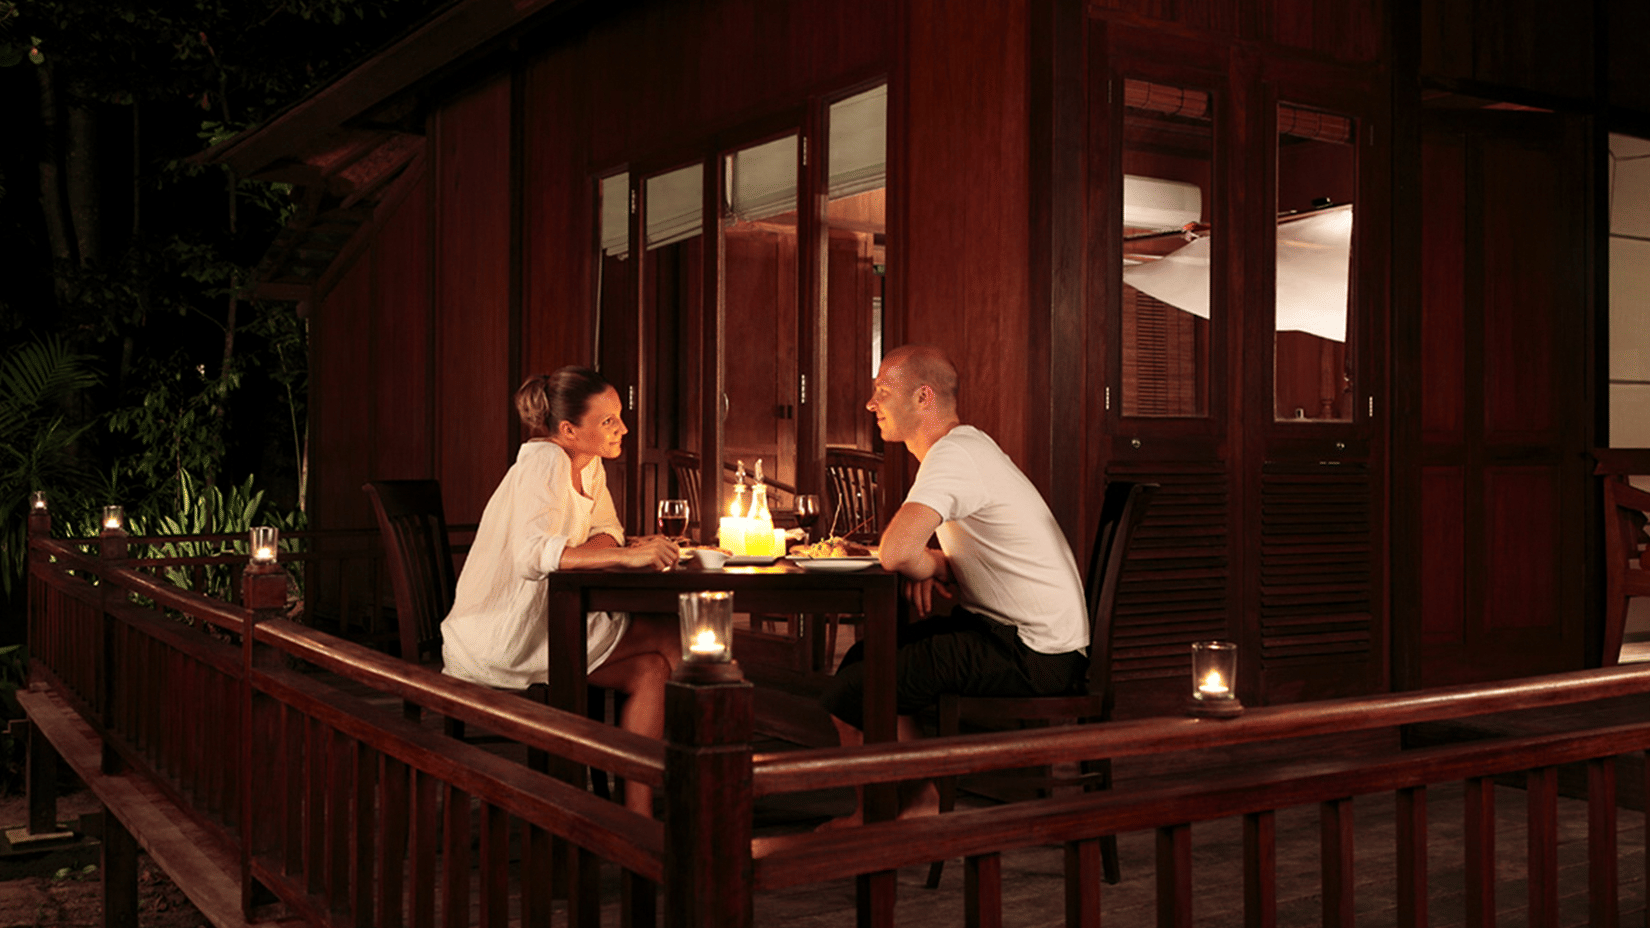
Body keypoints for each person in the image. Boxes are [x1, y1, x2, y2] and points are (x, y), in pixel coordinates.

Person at [819, 345, 1089, 825]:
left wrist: (919, 564)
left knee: (857, 687)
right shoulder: (967, 447)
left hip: (1033, 654)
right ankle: (918, 797)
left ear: (923, 397)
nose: (870, 404)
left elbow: (896, 552)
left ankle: (887, 811)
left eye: (883, 391)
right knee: (867, 657)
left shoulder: (953, 456)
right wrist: (941, 565)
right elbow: (941, 551)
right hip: (1024, 639)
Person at [441, 366, 681, 816]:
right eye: (609, 421)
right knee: (675, 637)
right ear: (569, 430)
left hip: (548, 619)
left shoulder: (587, 465)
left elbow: (609, 530)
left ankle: (637, 816)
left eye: (620, 417)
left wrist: (598, 548)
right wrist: (625, 555)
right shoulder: (544, 462)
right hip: (502, 633)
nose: (623, 428)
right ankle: (711, 784)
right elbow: (532, 556)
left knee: (653, 670)